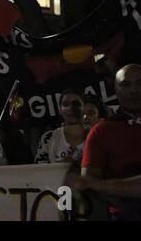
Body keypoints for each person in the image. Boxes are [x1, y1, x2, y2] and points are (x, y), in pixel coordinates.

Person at [81, 64, 141, 220]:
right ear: (116, 89)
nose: (134, 90)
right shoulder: (101, 131)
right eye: (126, 84)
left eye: (139, 83)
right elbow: (89, 183)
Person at [34, 88, 87, 165]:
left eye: (76, 104)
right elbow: (39, 171)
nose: (70, 108)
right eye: (65, 104)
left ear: (85, 108)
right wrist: (60, 166)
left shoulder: (97, 136)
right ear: (60, 110)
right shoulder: (48, 138)